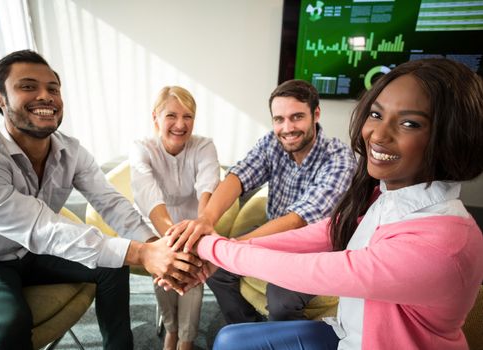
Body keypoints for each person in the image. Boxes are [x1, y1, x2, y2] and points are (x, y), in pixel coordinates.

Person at [190, 58, 483, 349]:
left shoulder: (442, 245)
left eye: (409, 123)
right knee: (230, 338)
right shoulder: (390, 197)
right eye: (377, 115)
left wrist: (212, 247)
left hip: (367, 338)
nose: (378, 135)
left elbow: (309, 249)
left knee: (277, 299)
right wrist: (219, 237)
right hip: (350, 331)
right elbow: (332, 229)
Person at [0, 50, 201, 350]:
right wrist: (142, 255)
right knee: (6, 329)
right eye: (28, 86)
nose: (45, 96)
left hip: (31, 254)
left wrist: (154, 246)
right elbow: (41, 227)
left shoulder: (70, 151)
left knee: (112, 265)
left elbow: (110, 203)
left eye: (53, 89)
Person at [167, 79, 357, 323]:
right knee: (218, 274)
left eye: (297, 117)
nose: (287, 128)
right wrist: (205, 219)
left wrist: (229, 249)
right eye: (279, 119)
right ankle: (249, 332)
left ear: (316, 113)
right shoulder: (272, 142)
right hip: (272, 232)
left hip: (314, 248)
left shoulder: (339, 159)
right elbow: (239, 176)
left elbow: (298, 222)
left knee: (281, 301)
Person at [129, 86, 220, 350]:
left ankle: (186, 338)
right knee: (165, 255)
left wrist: (199, 228)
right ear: (155, 117)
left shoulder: (204, 145)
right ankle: (172, 329)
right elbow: (149, 196)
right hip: (156, 223)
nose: (181, 124)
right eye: (172, 115)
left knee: (191, 253)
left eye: (188, 116)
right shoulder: (141, 148)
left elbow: (208, 185)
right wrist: (172, 241)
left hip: (194, 222)